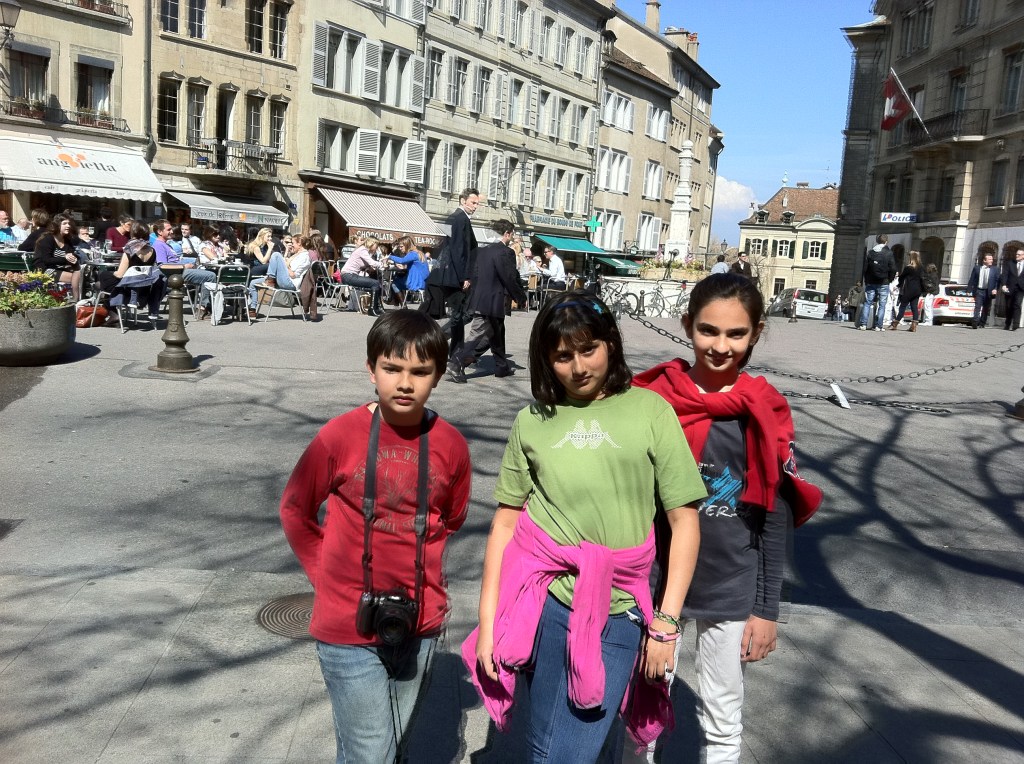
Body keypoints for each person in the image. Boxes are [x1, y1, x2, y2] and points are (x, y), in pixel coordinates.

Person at [463, 292, 706, 761]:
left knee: (563, 752)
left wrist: (666, 624)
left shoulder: (651, 411)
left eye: (588, 349)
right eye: (562, 356)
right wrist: (489, 623)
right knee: (546, 742)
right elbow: (505, 525)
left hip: (618, 611)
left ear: (610, 343)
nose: (578, 367)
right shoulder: (532, 421)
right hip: (540, 604)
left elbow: (684, 522)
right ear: (545, 360)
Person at [631, 272, 823, 764]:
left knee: (722, 713)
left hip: (731, 583)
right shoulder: (653, 399)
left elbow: (773, 517)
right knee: (641, 718)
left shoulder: (765, 409)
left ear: (757, 332)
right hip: (656, 581)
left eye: (736, 334)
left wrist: (767, 608)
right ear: (687, 325)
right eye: (707, 330)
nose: (720, 346)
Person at [280, 309, 471, 764]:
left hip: (420, 621)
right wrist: (324, 574)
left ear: (438, 375)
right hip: (347, 621)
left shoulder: (450, 444)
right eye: (392, 368)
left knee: (385, 747)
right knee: (373, 752)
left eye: (420, 372)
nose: (405, 383)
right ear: (371, 369)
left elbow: (453, 517)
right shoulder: (339, 436)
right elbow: (295, 508)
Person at [446, 221, 527, 383]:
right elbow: (509, 277)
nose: (512, 237)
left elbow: (473, 274)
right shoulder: (506, 252)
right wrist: (520, 297)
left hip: (480, 298)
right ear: (507, 233)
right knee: (478, 333)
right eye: (512, 234)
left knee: (497, 333)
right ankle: (456, 362)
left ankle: (502, 366)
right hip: (493, 300)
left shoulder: (481, 251)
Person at [421, 188, 480, 353]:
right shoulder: (461, 219)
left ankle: (444, 348)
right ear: (463, 201)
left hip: (449, 274)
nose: (475, 206)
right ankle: (451, 353)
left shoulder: (457, 218)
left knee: (459, 315)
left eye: (477, 203)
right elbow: (458, 250)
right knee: (458, 316)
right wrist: (464, 277)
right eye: (473, 203)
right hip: (454, 275)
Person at [152, 219, 218, 319]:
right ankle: (204, 308)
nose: (172, 231)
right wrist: (184, 266)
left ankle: (205, 306)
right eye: (168, 229)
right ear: (160, 232)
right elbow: (163, 266)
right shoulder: (159, 245)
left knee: (208, 273)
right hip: (176, 274)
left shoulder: (166, 244)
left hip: (180, 271)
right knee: (210, 276)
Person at [96, 242, 166, 322]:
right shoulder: (152, 251)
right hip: (144, 291)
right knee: (101, 284)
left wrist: (112, 273)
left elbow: (119, 275)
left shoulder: (129, 251)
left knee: (103, 276)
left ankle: (111, 311)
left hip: (129, 292)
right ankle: (111, 311)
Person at [32, 213, 83, 300]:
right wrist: (65, 259)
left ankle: (77, 300)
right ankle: (76, 300)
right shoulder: (47, 239)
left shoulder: (67, 240)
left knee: (80, 272)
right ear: (57, 225)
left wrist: (73, 257)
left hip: (59, 268)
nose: (68, 226)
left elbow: (71, 254)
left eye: (69, 223)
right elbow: (46, 260)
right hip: (44, 270)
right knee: (76, 277)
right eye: (64, 223)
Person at [857, 234, 896, 331]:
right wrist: (890, 279)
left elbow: (865, 268)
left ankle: (863, 324)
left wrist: (866, 279)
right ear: (886, 241)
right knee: (882, 305)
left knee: (867, 303)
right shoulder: (889, 253)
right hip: (884, 282)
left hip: (871, 281)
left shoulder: (870, 252)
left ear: (877, 241)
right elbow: (893, 268)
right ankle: (878, 326)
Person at [341, 235, 385, 316]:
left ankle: (377, 308)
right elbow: (372, 262)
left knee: (375, 283)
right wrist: (382, 264)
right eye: (377, 245)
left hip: (349, 275)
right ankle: (372, 309)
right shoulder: (363, 250)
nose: (377, 247)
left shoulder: (364, 251)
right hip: (348, 275)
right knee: (375, 283)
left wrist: (370, 268)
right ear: (372, 243)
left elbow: (367, 265)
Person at [387, 235, 429, 305]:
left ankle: (403, 305)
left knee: (394, 284)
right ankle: (400, 303)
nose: (400, 248)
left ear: (407, 245)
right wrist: (404, 268)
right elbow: (416, 267)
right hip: (423, 282)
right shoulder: (420, 253)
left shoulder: (413, 254)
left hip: (416, 283)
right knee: (399, 280)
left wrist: (389, 256)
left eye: (401, 246)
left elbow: (402, 260)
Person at [893, 250, 924, 332]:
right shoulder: (921, 267)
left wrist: (899, 285)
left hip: (908, 289)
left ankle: (895, 323)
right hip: (917, 290)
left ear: (911, 258)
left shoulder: (908, 267)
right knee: (914, 307)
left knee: (902, 306)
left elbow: (901, 277)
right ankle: (914, 325)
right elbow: (922, 279)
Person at [969, 252, 999, 329]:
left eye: (992, 259)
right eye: (989, 259)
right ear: (984, 260)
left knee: (986, 308)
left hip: (988, 291)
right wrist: (969, 290)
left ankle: (982, 323)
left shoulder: (995, 269)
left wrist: (995, 289)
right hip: (979, 290)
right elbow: (972, 279)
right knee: (977, 306)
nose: (991, 261)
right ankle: (975, 321)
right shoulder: (977, 268)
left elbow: (997, 281)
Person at [1000, 247, 1024, 330]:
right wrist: (1004, 284)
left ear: (1023, 256)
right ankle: (1007, 323)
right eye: (1016, 254)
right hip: (1010, 287)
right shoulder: (1010, 263)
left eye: (1019, 254)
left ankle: (1016, 324)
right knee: (1009, 306)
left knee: (1017, 305)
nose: (1016, 255)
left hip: (1021, 288)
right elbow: (1004, 275)